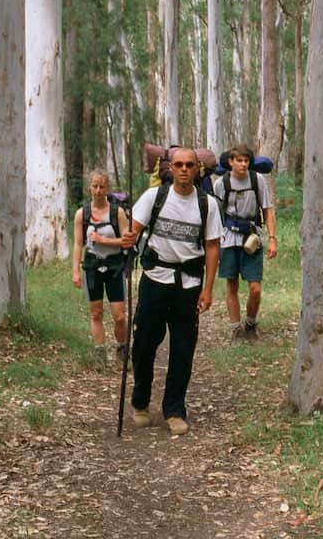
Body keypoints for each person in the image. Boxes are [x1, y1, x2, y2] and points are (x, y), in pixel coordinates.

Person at [120, 147, 221, 436]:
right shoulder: (155, 197)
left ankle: (174, 410)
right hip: (154, 280)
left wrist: (208, 289)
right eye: (179, 164)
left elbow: (213, 246)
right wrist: (128, 237)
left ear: (198, 169)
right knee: (143, 346)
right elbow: (134, 229)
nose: (185, 169)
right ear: (170, 168)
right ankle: (140, 401)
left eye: (190, 164)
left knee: (182, 350)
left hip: (188, 286)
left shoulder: (208, 204)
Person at [213, 143, 277, 344]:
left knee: (255, 287)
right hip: (228, 238)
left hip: (252, 238)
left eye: (246, 161)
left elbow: (267, 210)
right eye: (238, 160)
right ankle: (236, 330)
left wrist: (272, 239)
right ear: (230, 162)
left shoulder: (257, 180)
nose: (242, 164)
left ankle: (250, 323)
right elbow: (215, 214)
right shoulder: (221, 184)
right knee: (231, 285)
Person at [71, 169, 130, 366]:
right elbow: (78, 243)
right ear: (89, 188)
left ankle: (122, 348)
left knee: (119, 316)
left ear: (107, 188)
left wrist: (103, 239)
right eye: (94, 186)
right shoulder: (82, 214)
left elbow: (127, 240)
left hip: (114, 266)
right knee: (96, 313)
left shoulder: (117, 212)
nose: (98, 190)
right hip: (92, 267)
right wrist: (75, 272)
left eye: (101, 186)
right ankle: (100, 356)